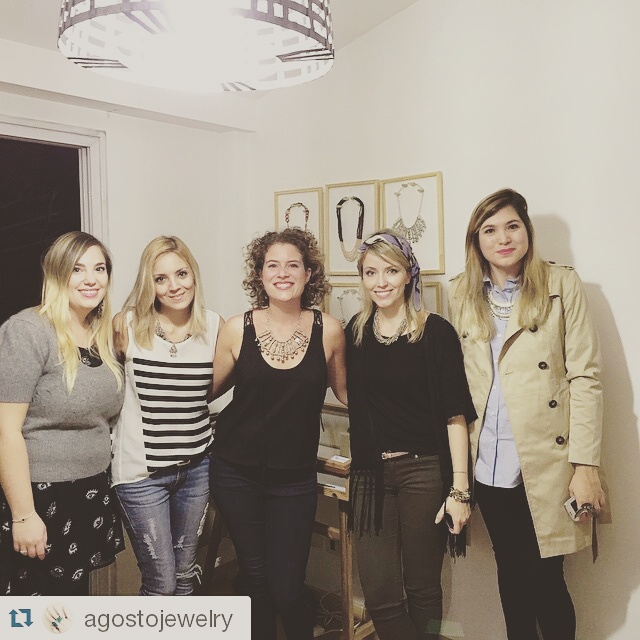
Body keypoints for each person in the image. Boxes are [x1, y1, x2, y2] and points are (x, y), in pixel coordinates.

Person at [448, 188, 606, 640]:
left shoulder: (561, 284)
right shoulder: (461, 292)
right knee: (512, 573)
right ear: (476, 240)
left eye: (512, 226)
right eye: (490, 230)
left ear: (527, 230)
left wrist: (585, 465)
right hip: (487, 460)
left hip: (547, 460)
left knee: (547, 578)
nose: (503, 238)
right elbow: (457, 382)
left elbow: (586, 376)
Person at [209, 227, 346, 640]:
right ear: (260, 274)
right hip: (235, 471)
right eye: (272, 265)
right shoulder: (237, 328)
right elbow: (204, 391)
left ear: (308, 274)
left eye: (293, 265)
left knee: (287, 586)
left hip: (295, 478)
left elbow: (349, 395)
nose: (282, 273)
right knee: (255, 578)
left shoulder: (329, 330)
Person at [345, 230, 476, 640]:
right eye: (370, 272)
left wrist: (460, 490)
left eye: (390, 271)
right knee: (380, 594)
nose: (380, 282)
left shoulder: (436, 332)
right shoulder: (356, 332)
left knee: (423, 588)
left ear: (408, 274)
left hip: (424, 471)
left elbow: (456, 414)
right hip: (369, 475)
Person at [0, 231, 125, 596]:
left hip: (89, 492)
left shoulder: (100, 335)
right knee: (33, 611)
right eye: (77, 269)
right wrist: (24, 515)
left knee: (71, 608)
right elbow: (5, 431)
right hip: (39, 497)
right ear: (56, 274)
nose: (91, 279)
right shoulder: (28, 330)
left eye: (99, 269)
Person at [111, 236, 223, 596]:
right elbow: (108, 389)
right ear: (150, 284)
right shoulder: (126, 325)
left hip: (196, 469)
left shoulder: (214, 326)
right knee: (161, 583)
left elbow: (214, 390)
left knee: (186, 576)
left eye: (181, 274)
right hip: (140, 475)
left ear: (194, 274)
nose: (174, 286)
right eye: (161, 279)